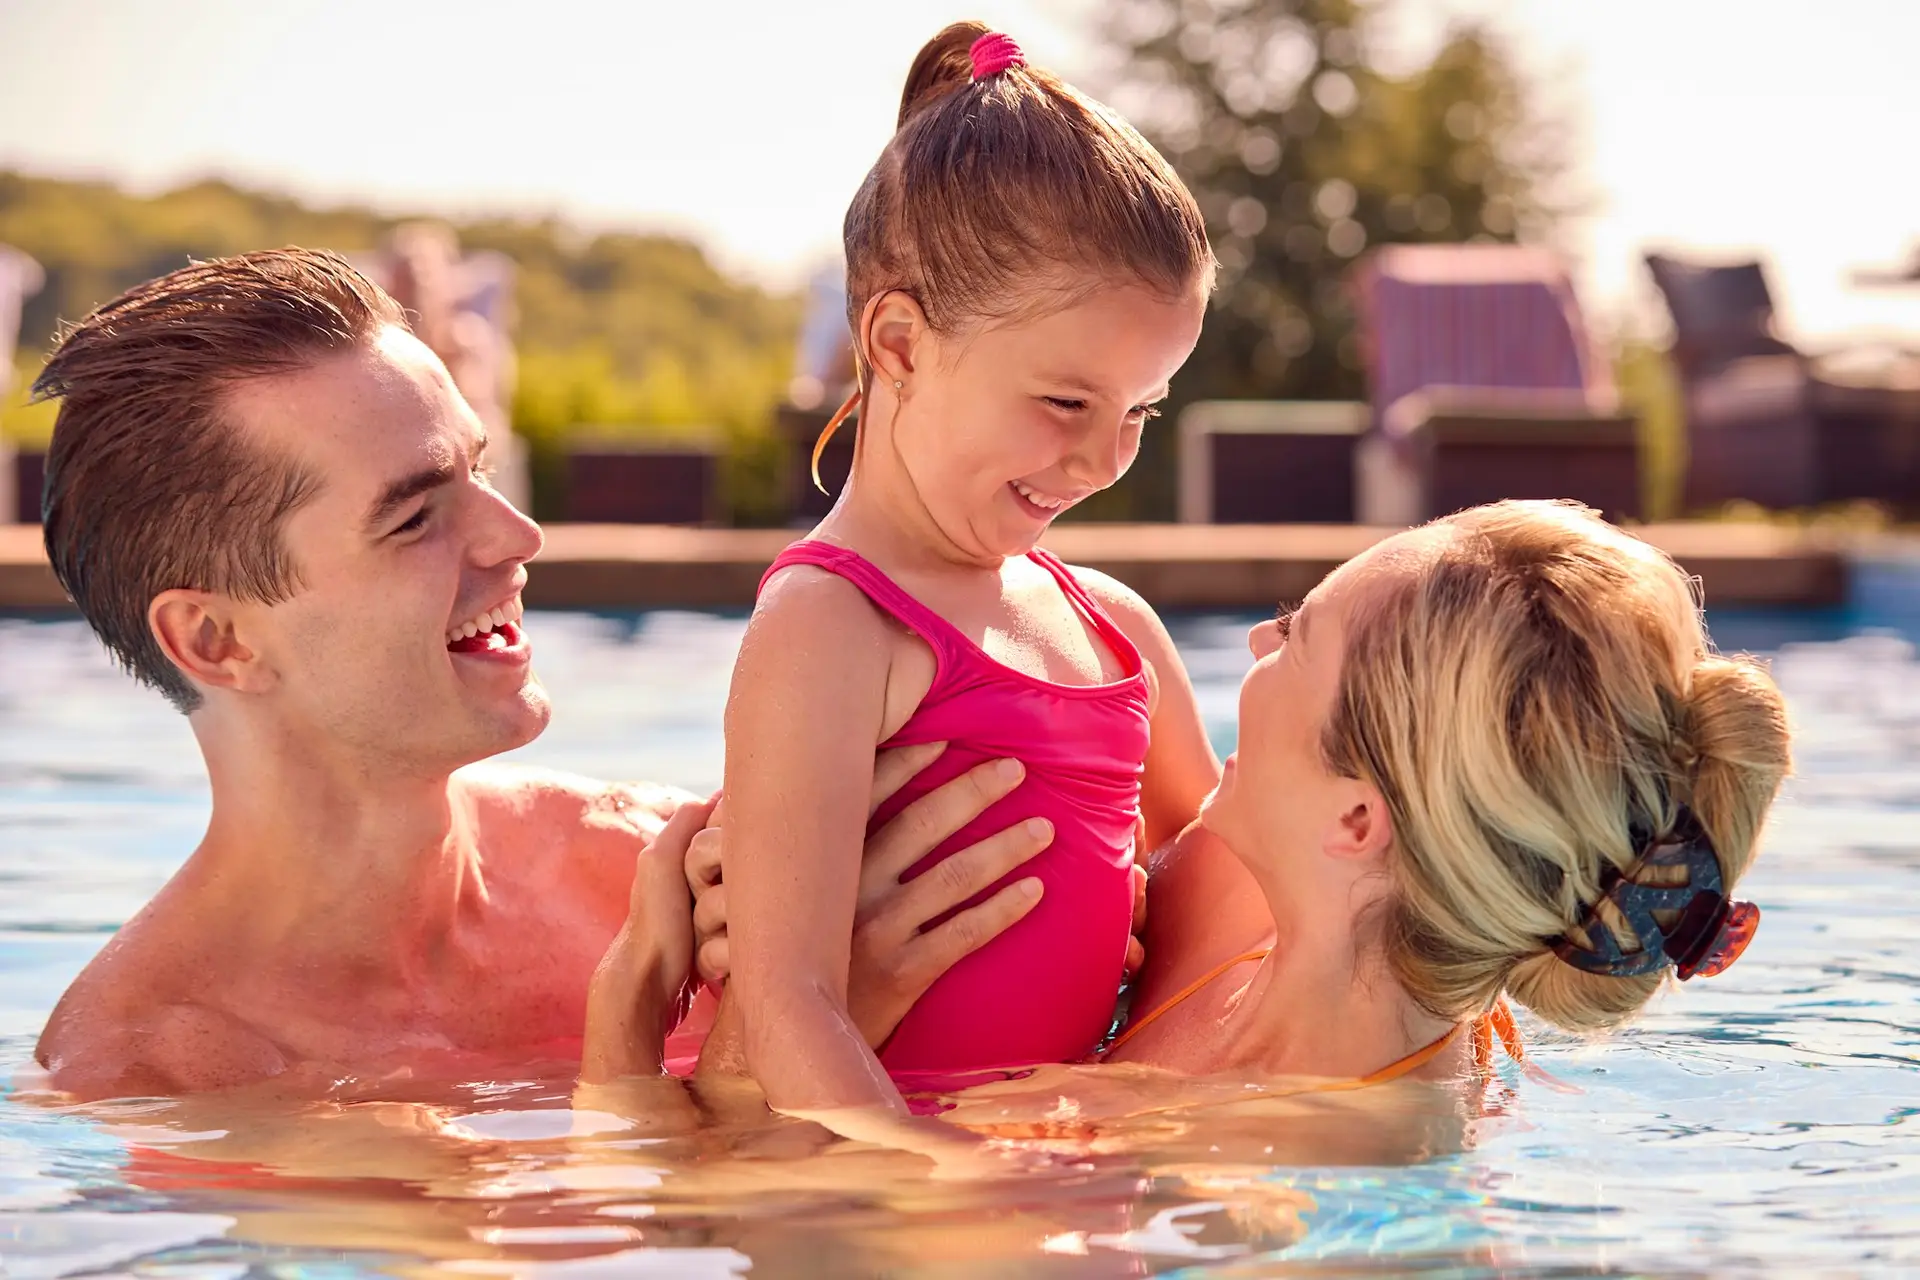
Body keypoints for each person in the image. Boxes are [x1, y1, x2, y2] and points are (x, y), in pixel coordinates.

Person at [26, 248, 1054, 1101]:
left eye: (477, 468)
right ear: (216, 639)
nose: (518, 535)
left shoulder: (647, 859)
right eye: (416, 515)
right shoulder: (162, 1070)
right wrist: (796, 1019)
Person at [682, 501, 1792, 1105]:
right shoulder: (1228, 880)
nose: (1255, 645)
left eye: (1294, 637)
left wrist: (636, 995)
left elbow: (732, 1210)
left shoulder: (1279, 1170)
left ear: (1356, 821)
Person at [714, 23, 1221, 1163]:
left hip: (1048, 1169)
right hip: (869, 1190)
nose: (1102, 461)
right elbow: (790, 999)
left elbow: (1235, 869)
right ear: (897, 341)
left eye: (1142, 411)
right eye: (1064, 403)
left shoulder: (1113, 628)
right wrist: (937, 1183)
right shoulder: (833, 623)